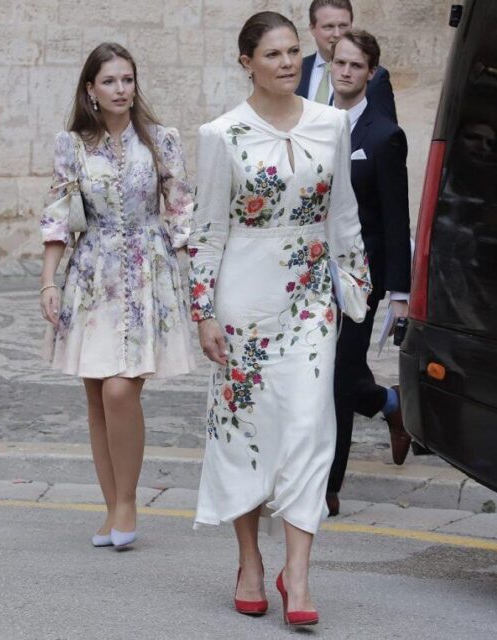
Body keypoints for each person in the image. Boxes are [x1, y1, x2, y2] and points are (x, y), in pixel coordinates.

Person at [189, 11, 371, 627]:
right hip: (243, 302)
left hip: (311, 301)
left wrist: (357, 294)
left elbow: (343, 215)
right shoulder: (221, 135)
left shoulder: (332, 124)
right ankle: (249, 563)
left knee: (308, 427)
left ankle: (298, 573)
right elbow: (207, 232)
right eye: (273, 54)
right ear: (247, 63)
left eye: (294, 51)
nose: (289, 62)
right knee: (244, 434)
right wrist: (205, 314)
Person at [38, 42, 196, 550]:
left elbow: (181, 212)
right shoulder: (72, 146)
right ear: (91, 89)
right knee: (96, 397)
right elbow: (58, 215)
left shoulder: (162, 141)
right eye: (110, 81)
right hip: (91, 276)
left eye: (127, 80)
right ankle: (110, 510)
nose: (121, 89)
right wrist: (48, 281)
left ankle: (127, 503)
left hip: (148, 274)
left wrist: (197, 282)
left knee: (119, 390)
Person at [325, 30, 412, 517]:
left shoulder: (384, 135)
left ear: (370, 73)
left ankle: (329, 486)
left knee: (338, 376)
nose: (345, 72)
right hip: (311, 273)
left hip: (362, 278)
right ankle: (393, 405)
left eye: (355, 66)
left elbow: (396, 218)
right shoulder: (313, 122)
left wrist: (399, 293)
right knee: (320, 372)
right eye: (339, 63)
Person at [295, 0, 397, 123]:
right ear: (312, 28)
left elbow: (385, 134)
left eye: (343, 26)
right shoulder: (297, 69)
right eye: (329, 26)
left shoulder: (376, 77)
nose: (337, 34)